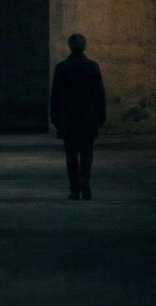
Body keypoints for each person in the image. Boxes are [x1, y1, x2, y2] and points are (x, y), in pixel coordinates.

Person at [50, 33, 106, 200]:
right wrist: (100, 118)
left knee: (71, 155)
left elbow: (55, 97)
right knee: (87, 154)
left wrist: (55, 119)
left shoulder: (61, 68)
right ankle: (85, 181)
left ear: (70, 47)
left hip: (69, 119)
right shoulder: (93, 67)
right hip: (88, 119)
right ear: (85, 46)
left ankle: (75, 188)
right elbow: (99, 96)